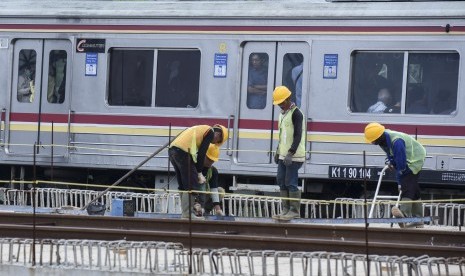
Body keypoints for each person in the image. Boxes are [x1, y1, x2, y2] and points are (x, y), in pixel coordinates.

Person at [364, 122, 426, 228]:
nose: (372, 143)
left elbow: (401, 164)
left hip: (415, 158)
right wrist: (392, 163)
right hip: (407, 158)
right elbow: (391, 155)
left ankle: (404, 215)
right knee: (414, 189)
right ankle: (419, 219)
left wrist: (400, 180)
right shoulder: (384, 140)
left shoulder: (396, 141)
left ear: (378, 137)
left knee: (407, 186)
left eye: (373, 140)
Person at [169, 124, 228, 219]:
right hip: (183, 152)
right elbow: (201, 154)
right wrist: (199, 173)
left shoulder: (201, 129)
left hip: (173, 150)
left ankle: (187, 213)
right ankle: (187, 214)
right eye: (217, 142)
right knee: (192, 185)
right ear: (218, 135)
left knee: (183, 184)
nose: (213, 143)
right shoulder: (210, 132)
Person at [272, 86, 305, 221]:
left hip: (294, 155)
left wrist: (291, 153)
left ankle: (294, 210)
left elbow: (298, 135)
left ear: (288, 99)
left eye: (282, 102)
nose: (280, 105)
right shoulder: (282, 114)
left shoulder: (297, 114)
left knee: (290, 181)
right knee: (281, 180)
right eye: (278, 103)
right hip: (283, 154)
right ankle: (285, 209)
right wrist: (278, 151)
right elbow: (282, 136)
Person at [198, 144, 225, 216]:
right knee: (201, 185)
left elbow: (214, 189)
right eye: (209, 159)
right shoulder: (195, 166)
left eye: (212, 160)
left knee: (220, 191)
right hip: (194, 196)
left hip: (204, 195)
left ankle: (206, 211)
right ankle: (196, 209)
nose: (210, 162)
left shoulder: (213, 171)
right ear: (203, 155)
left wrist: (218, 209)